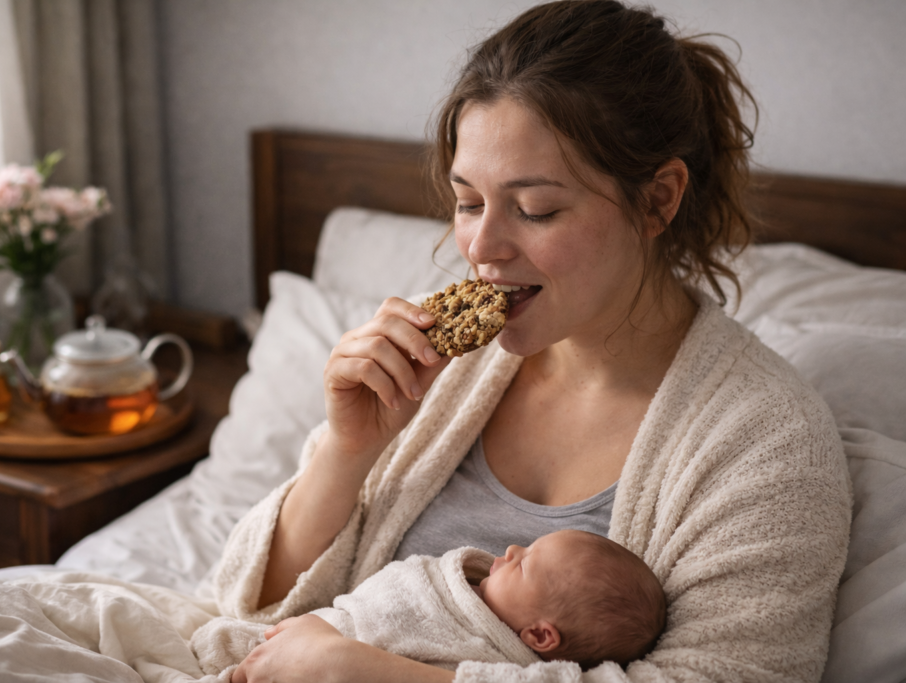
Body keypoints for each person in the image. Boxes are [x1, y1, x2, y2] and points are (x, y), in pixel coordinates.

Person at [215, 1, 852, 681]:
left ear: (658, 200)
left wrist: (368, 672)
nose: (482, 249)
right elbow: (255, 607)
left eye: (535, 209)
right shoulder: (438, 368)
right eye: (467, 202)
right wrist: (348, 449)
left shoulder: (769, 442)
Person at [195, 530, 665, 677]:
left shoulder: (501, 664)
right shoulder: (454, 585)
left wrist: (334, 655)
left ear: (540, 636)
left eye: (524, 565)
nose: (512, 551)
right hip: (303, 631)